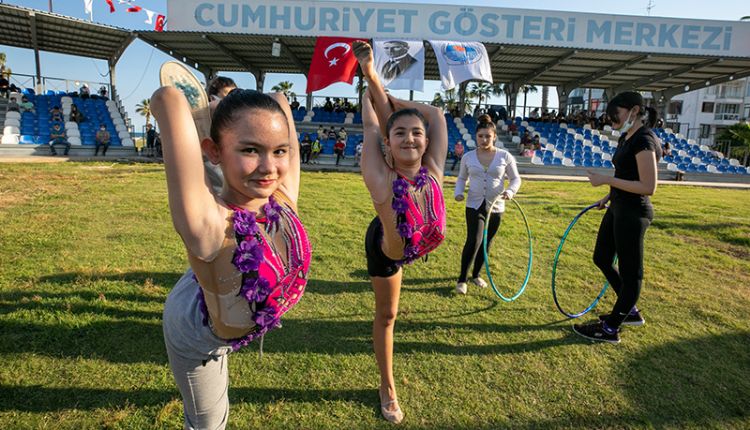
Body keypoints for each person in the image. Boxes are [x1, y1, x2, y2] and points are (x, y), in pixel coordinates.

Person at [152, 80, 311, 430]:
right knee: (208, 423)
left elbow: (280, 100)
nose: (270, 167)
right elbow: (167, 98)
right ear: (213, 151)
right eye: (251, 150)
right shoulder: (209, 223)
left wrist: (233, 108)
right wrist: (213, 108)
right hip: (197, 331)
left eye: (280, 151)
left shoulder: (281, 195)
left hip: (218, 286)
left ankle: (207, 278)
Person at [354, 41, 448, 424]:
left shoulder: (435, 170)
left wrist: (392, 100)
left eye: (416, 133)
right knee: (388, 315)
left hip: (418, 243)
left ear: (426, 143)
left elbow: (437, 114)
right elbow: (371, 122)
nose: (410, 138)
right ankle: (387, 386)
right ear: (388, 147)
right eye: (401, 134)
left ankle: (390, 99)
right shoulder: (381, 176)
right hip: (387, 249)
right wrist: (371, 78)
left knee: (418, 116)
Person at [574, 91, 662, 344]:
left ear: (634, 111)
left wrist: (606, 180)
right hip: (618, 207)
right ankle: (629, 311)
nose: (611, 119)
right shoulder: (626, 137)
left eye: (616, 114)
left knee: (631, 273)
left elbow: (648, 186)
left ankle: (610, 329)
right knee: (601, 257)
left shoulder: (644, 140)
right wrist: (609, 196)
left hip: (634, 213)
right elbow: (626, 173)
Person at [454, 115, 521, 294]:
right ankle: (462, 279)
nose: (484, 140)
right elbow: (462, 178)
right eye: (480, 136)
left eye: (487, 136)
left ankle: (476, 275)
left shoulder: (505, 156)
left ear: (494, 137)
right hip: (474, 205)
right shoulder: (468, 157)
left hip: (496, 206)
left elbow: (515, 179)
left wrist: (510, 191)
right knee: (474, 240)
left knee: (487, 242)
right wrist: (458, 192)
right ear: (476, 136)